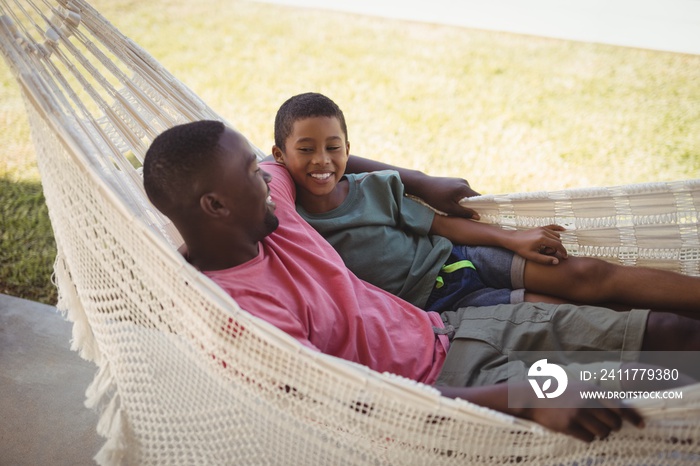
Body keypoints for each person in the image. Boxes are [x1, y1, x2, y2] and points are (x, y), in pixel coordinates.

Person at [142, 120, 700, 443]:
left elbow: (286, 158)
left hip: (456, 326)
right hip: (460, 388)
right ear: (214, 204)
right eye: (248, 174)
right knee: (651, 386)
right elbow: (362, 407)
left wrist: (417, 181)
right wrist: (526, 400)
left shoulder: (271, 211)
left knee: (675, 334)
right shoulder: (244, 323)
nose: (266, 177)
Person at [271, 92, 700, 317]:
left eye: (333, 147)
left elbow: (442, 226)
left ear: (349, 148)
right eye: (305, 149)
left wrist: (513, 238)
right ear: (279, 155)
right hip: (437, 309)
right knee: (571, 316)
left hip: (459, 258)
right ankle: (676, 337)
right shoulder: (288, 220)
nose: (322, 161)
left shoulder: (374, 187)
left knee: (588, 273)